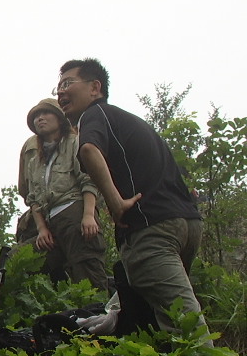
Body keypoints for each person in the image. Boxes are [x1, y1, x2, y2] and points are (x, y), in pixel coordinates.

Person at [55, 57, 209, 337]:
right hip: (185, 224)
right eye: (58, 87)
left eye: (67, 83)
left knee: (185, 326)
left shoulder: (95, 114)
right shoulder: (131, 122)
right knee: (152, 317)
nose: (60, 92)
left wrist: (115, 203)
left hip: (151, 230)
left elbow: (89, 150)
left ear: (95, 88)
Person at [24, 98, 108, 291]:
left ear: (60, 119)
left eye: (45, 113)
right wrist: (41, 229)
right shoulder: (35, 161)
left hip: (74, 213)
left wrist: (88, 215)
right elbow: (33, 199)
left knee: (88, 276)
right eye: (36, 116)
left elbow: (89, 179)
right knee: (20, 262)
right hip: (49, 224)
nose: (40, 118)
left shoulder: (74, 143)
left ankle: (103, 309)